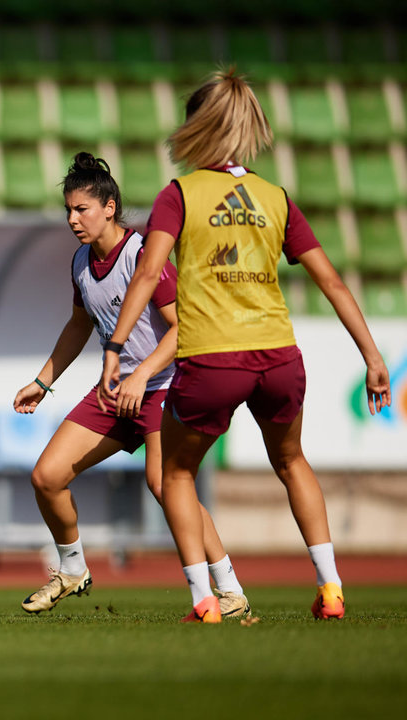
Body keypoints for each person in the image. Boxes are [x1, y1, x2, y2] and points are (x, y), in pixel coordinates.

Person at [100, 69, 391, 623]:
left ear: (196, 129)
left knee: (176, 475)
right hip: (280, 355)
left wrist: (116, 346)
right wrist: (373, 359)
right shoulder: (273, 196)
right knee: (291, 460)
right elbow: (332, 281)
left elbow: (146, 275)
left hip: (215, 358)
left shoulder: (179, 194)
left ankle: (205, 600)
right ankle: (331, 591)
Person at [15, 153, 248, 618]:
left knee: (165, 485)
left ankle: (229, 589)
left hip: (163, 385)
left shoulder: (144, 255)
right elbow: (79, 325)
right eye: (67, 210)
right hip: (116, 390)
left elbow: (184, 329)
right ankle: (73, 568)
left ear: (109, 206)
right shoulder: (81, 260)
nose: (72, 219)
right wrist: (44, 380)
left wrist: (142, 375)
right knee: (47, 477)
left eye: (81, 209)